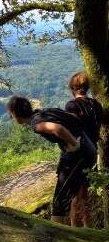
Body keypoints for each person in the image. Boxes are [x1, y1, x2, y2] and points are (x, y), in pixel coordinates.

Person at [7, 96, 97, 225]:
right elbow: (73, 119)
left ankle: (54, 237)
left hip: (80, 153)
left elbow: (57, 129)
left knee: (59, 200)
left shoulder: (36, 124)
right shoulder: (43, 112)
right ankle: (82, 232)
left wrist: (73, 143)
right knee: (75, 195)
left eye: (11, 115)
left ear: (15, 114)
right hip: (87, 148)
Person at [65, 72, 103, 226]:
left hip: (78, 152)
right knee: (84, 193)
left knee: (74, 194)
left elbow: (71, 130)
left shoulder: (72, 106)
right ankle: (88, 226)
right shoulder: (96, 105)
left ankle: (74, 228)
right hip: (92, 151)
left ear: (72, 87)